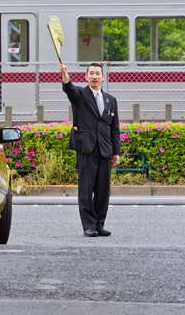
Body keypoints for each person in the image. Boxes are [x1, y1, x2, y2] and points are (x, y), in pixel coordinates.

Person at [60, 62, 120, 237]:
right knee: (86, 189)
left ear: (103, 77)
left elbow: (114, 129)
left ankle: (99, 224)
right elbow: (68, 88)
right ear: (86, 77)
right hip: (86, 149)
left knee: (103, 190)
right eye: (91, 73)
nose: (94, 76)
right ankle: (89, 226)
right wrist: (65, 75)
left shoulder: (111, 100)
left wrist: (116, 152)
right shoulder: (80, 95)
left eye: (97, 73)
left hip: (105, 150)